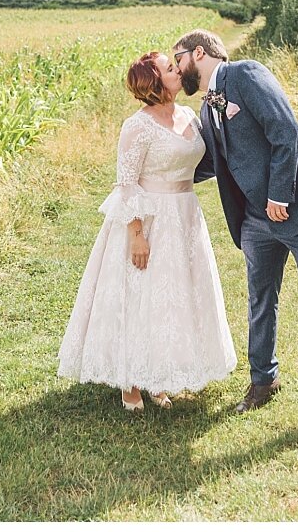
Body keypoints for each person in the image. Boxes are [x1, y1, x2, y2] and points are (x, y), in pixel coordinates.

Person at [173, 29, 298, 432]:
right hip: (257, 219)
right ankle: (263, 380)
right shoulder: (208, 107)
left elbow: (284, 132)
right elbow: (215, 162)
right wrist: (163, 170)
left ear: (199, 53)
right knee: (260, 297)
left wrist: (280, 195)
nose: (176, 68)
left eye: (178, 58)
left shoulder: (247, 74)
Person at [58, 51, 237, 410]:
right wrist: (136, 234)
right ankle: (131, 383)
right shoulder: (137, 126)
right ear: (155, 83)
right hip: (149, 220)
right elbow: (126, 184)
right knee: (142, 297)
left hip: (185, 216)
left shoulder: (188, 114)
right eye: (171, 69)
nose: (178, 70)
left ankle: (160, 377)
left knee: (174, 300)